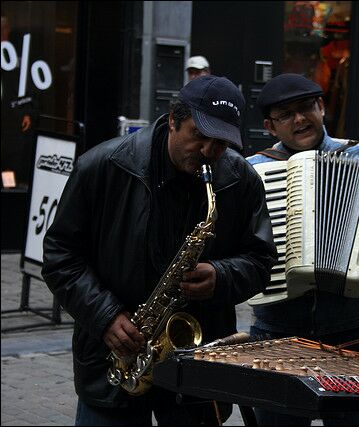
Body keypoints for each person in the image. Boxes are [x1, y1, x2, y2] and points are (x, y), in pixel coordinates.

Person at [42, 75, 278, 426]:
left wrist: (223, 276)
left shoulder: (240, 179)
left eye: (221, 143)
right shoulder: (102, 167)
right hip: (115, 357)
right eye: (199, 135)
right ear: (172, 120)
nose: (208, 152)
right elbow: (60, 255)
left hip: (197, 365)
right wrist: (105, 316)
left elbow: (261, 260)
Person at [246, 73, 359, 426]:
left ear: (322, 108)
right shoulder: (254, 171)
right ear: (271, 127)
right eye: (286, 114)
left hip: (352, 330)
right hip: (277, 333)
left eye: (306, 108)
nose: (300, 119)